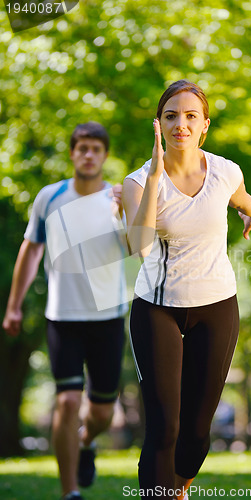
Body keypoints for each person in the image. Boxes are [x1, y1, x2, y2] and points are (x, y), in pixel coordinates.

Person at [122, 80, 251, 500]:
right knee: (165, 425)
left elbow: (242, 199)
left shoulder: (225, 171)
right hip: (157, 310)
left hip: (217, 306)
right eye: (171, 116)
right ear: (159, 125)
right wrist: (153, 172)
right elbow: (139, 245)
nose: (180, 124)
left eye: (190, 116)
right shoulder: (137, 182)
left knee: (197, 433)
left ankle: (179, 490)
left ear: (204, 126)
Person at [2, 122, 128, 500]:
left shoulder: (120, 197)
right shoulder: (49, 197)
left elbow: (136, 248)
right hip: (63, 318)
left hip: (108, 318)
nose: (88, 155)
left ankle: (86, 440)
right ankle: (69, 491)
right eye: (82, 148)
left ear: (105, 156)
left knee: (102, 412)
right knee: (68, 400)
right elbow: (31, 250)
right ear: (72, 153)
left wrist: (125, 212)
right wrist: (14, 306)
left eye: (96, 149)